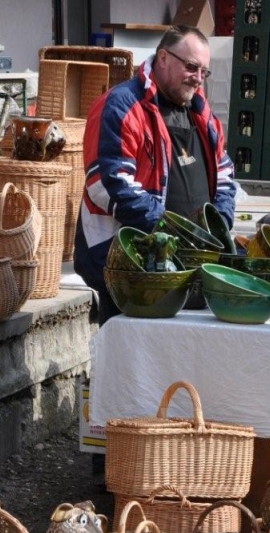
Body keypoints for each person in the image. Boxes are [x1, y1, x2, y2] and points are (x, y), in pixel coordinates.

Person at [73, 24, 236, 324]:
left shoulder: (201, 112)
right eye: (191, 67)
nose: (198, 78)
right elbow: (107, 184)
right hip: (130, 262)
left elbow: (224, 171)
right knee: (131, 348)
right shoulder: (121, 105)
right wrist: (174, 232)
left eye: (204, 72)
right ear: (163, 58)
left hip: (188, 263)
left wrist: (220, 224)